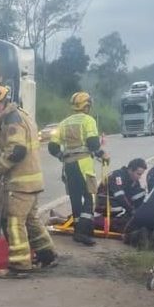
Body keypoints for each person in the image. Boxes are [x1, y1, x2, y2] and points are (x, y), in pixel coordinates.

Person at [0, 85, 58, 278]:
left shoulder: (12, 120)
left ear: (0, 102)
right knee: (31, 221)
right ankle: (47, 256)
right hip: (32, 181)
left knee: (14, 224)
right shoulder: (22, 115)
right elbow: (15, 147)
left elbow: (17, 151)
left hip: (20, 183)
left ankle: (20, 266)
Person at [47, 92, 109, 246]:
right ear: (86, 106)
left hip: (68, 166)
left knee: (75, 198)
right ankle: (82, 232)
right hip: (84, 165)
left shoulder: (64, 123)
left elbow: (52, 146)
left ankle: (79, 229)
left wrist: (61, 155)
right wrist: (103, 155)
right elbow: (93, 144)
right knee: (89, 198)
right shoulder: (88, 120)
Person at [96, 158, 148, 236]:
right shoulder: (118, 176)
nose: (139, 177)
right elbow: (120, 197)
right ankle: (107, 222)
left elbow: (137, 195)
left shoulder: (134, 181)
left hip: (116, 201)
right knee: (121, 209)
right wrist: (132, 210)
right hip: (104, 202)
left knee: (141, 193)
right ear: (130, 170)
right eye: (138, 174)